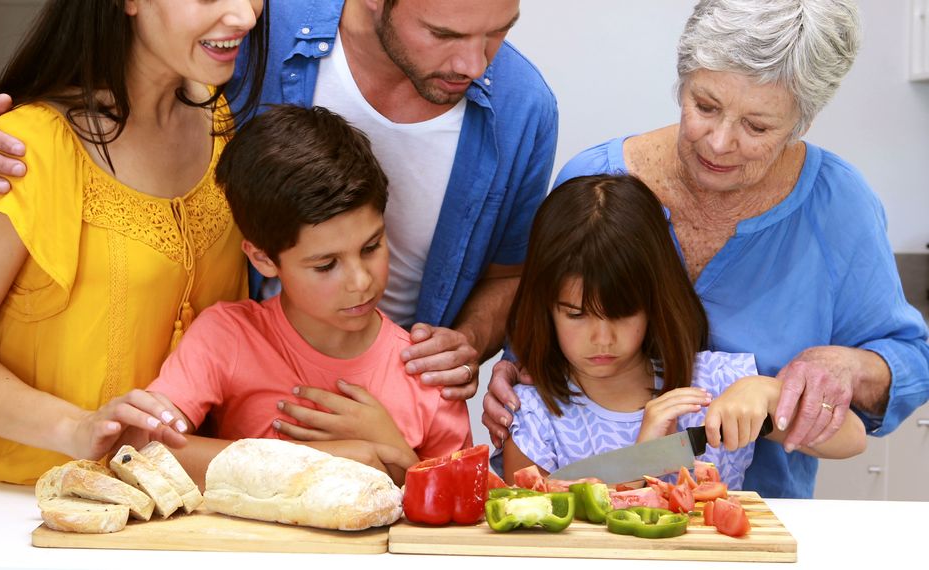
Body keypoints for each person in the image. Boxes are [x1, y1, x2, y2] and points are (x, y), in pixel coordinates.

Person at [0, 0, 558, 402]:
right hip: (227, 413)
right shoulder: (256, 34)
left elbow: (512, 276)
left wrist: (466, 342)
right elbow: (129, 73)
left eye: (499, 32)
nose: (474, 63)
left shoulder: (524, 106)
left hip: (387, 404)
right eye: (442, 33)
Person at [484, 0, 929, 498]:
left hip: (760, 522)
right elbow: (536, 348)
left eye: (757, 127)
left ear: (801, 123)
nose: (718, 142)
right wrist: (514, 380)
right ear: (682, 83)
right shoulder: (596, 188)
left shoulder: (838, 205)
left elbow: (904, 365)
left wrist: (826, 378)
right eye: (705, 106)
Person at [0, 0, 270, 483]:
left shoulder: (217, 119)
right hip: (18, 518)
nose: (245, 15)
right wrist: (77, 427)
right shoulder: (19, 149)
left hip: (173, 516)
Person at [104, 105, 473, 485]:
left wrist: (392, 451)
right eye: (326, 264)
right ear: (263, 259)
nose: (361, 281)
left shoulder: (429, 373)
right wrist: (323, 459)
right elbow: (140, 453)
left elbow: (462, 519)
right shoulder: (226, 337)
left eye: (371, 246)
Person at [497, 175, 866, 489]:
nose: (602, 339)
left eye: (622, 314)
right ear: (545, 306)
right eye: (576, 314)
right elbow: (533, 521)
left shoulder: (714, 387)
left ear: (654, 301)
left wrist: (768, 394)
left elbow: (852, 438)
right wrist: (643, 460)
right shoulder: (534, 413)